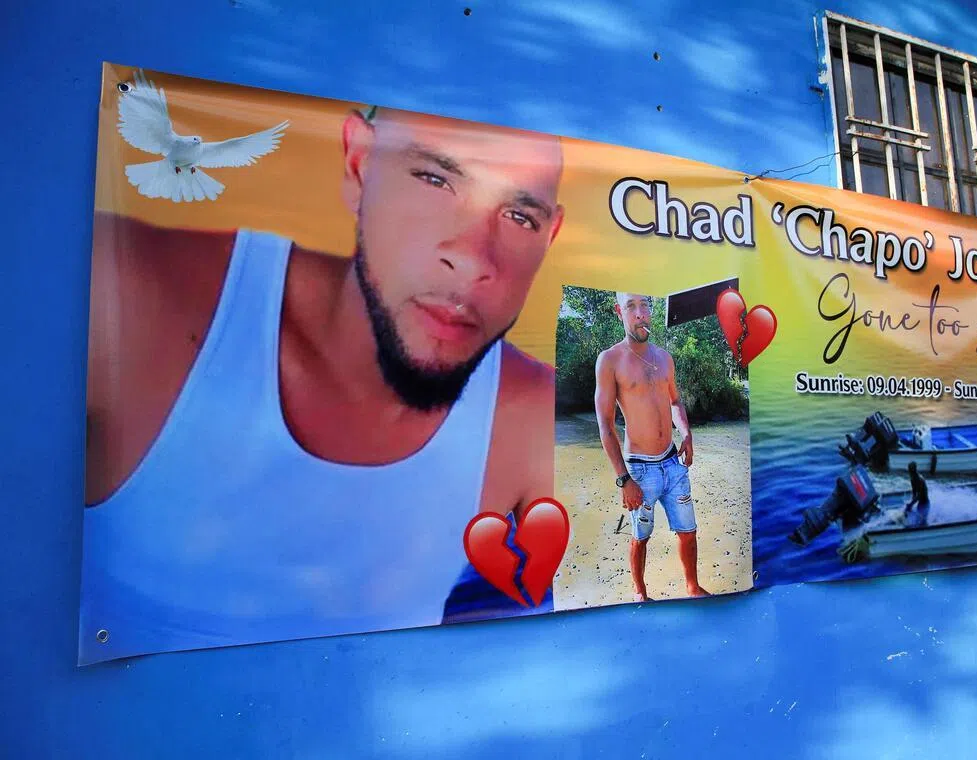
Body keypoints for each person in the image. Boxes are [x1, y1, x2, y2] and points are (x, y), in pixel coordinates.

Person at [80, 104, 565, 663]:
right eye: (434, 179)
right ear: (359, 166)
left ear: (549, 235)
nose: (472, 258)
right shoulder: (130, 293)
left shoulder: (532, 412)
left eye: (520, 217)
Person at [593, 292, 709, 602]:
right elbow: (604, 424)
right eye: (631, 306)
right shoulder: (610, 360)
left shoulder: (664, 357)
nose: (640, 313)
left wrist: (686, 433)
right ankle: (640, 593)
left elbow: (675, 401)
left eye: (645, 305)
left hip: (673, 462)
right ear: (620, 311)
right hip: (639, 469)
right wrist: (623, 479)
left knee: (688, 530)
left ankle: (692, 587)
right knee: (640, 535)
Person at [903, 461, 931, 527]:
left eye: (910, 470)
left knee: (923, 523)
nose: (909, 472)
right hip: (920, 503)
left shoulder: (919, 480)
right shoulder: (912, 479)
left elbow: (919, 495)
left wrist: (911, 504)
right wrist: (910, 504)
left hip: (925, 504)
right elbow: (914, 493)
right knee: (916, 521)